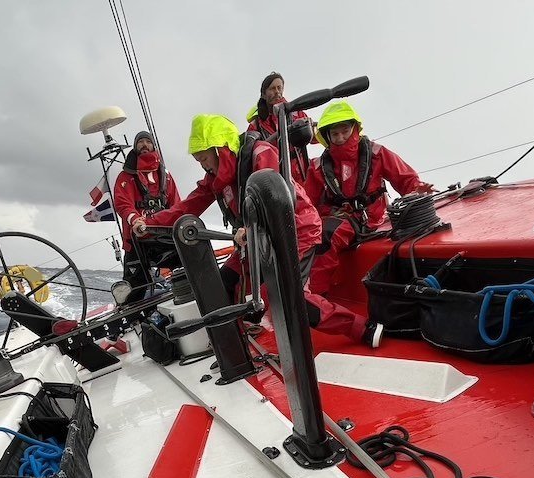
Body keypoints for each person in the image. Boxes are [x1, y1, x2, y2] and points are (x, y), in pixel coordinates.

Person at [143, 114, 383, 347]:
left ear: (220, 149)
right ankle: (232, 343)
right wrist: (148, 222)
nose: (203, 166)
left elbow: (268, 193)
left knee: (284, 296)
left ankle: (362, 328)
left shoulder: (261, 154)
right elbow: (187, 206)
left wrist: (248, 227)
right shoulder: (216, 178)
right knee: (223, 280)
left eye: (204, 158)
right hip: (257, 237)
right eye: (199, 161)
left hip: (294, 231)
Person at [304, 101, 433, 295]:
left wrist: (416, 189)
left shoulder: (376, 153)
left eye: (345, 131)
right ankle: (307, 292)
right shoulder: (317, 166)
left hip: (369, 217)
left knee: (327, 236)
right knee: (310, 236)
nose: (340, 137)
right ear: (326, 137)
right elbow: (307, 203)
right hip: (334, 217)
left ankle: (313, 297)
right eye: (335, 134)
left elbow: (405, 178)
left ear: (355, 129)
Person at [114, 131, 181, 302]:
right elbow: (122, 203)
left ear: (153, 146)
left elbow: (176, 205)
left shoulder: (165, 176)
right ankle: (131, 316)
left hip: (164, 237)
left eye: (147, 141)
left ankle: (188, 295)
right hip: (137, 242)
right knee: (134, 288)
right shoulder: (125, 177)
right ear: (135, 147)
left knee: (188, 262)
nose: (144, 145)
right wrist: (135, 220)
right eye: (140, 142)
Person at [247, 72, 318, 182]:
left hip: (301, 171)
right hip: (276, 177)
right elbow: (250, 153)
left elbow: (315, 137)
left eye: (279, 88)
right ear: (263, 95)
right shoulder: (256, 125)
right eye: (272, 89)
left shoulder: (296, 113)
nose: (277, 92)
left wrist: (312, 128)